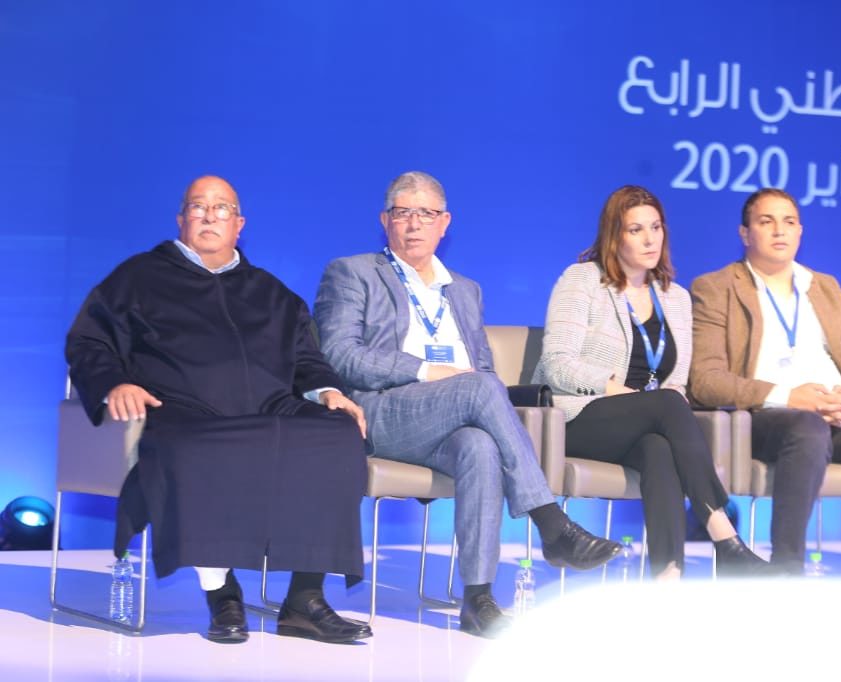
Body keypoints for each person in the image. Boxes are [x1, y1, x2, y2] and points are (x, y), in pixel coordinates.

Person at [313, 171, 621, 638]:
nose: (414, 223)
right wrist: (424, 370)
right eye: (403, 212)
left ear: (445, 223)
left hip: (451, 416)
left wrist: (463, 383)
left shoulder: (465, 290)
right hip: (382, 411)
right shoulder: (352, 272)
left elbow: (483, 369)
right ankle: (551, 522)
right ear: (385, 220)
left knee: (480, 445)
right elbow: (339, 355)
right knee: (477, 388)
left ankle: (478, 599)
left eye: (426, 214)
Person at [65, 176, 371, 644]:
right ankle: (222, 593)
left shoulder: (269, 291)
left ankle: (304, 600)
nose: (209, 216)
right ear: (181, 219)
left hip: (270, 408)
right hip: (186, 410)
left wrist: (327, 390)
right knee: (193, 447)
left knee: (338, 435)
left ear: (239, 224)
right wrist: (115, 383)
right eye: (198, 207)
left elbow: (305, 358)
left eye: (221, 208)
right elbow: (88, 341)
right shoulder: (137, 278)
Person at [688, 188, 841, 576]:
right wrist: (790, 397)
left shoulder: (824, 287)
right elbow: (705, 380)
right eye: (766, 221)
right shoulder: (716, 287)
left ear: (800, 231)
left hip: (837, 413)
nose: (779, 230)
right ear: (745, 233)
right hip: (766, 417)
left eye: (789, 222)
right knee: (807, 426)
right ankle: (787, 568)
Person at [532, 185, 770, 579]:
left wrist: (657, 402)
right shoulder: (582, 280)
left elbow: (675, 382)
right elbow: (557, 365)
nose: (649, 239)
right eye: (636, 229)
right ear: (614, 235)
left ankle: (668, 576)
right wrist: (622, 393)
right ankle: (724, 536)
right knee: (668, 404)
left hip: (646, 423)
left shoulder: (675, 297)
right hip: (576, 419)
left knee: (658, 448)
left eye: (656, 227)